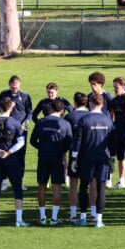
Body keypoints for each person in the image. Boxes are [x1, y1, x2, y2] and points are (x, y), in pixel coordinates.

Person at [70, 92, 114, 227]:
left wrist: (73, 158)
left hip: (86, 157)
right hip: (103, 158)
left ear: (90, 103)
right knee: (101, 188)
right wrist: (112, 159)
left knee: (83, 186)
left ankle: (83, 217)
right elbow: (113, 142)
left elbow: (78, 141)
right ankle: (99, 220)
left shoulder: (84, 120)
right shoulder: (108, 121)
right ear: (102, 104)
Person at [0, 98, 27, 227]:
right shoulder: (15, 123)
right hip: (12, 159)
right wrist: (9, 152)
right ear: (11, 108)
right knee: (17, 189)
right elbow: (21, 141)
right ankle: (19, 220)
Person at [30, 99, 72, 225]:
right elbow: (69, 143)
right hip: (57, 157)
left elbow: (32, 140)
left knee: (42, 185)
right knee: (57, 186)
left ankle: (42, 218)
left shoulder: (41, 122)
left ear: (51, 109)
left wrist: (42, 148)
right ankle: (54, 218)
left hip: (43, 156)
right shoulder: (65, 124)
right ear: (62, 110)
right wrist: (60, 150)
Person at [0, 75, 33, 187]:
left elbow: (29, 112)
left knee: (21, 154)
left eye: (17, 85)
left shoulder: (25, 96)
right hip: (6, 129)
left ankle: (19, 181)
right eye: (13, 86)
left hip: (21, 130)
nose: (15, 88)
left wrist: (26, 123)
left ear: (19, 84)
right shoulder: (4, 94)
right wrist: (5, 106)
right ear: (9, 85)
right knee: (4, 152)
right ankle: (4, 181)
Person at [64, 92, 90, 223]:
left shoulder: (69, 116)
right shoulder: (90, 116)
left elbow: (66, 136)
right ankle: (94, 212)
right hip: (89, 154)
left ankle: (73, 214)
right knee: (92, 183)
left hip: (74, 153)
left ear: (74, 102)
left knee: (73, 184)